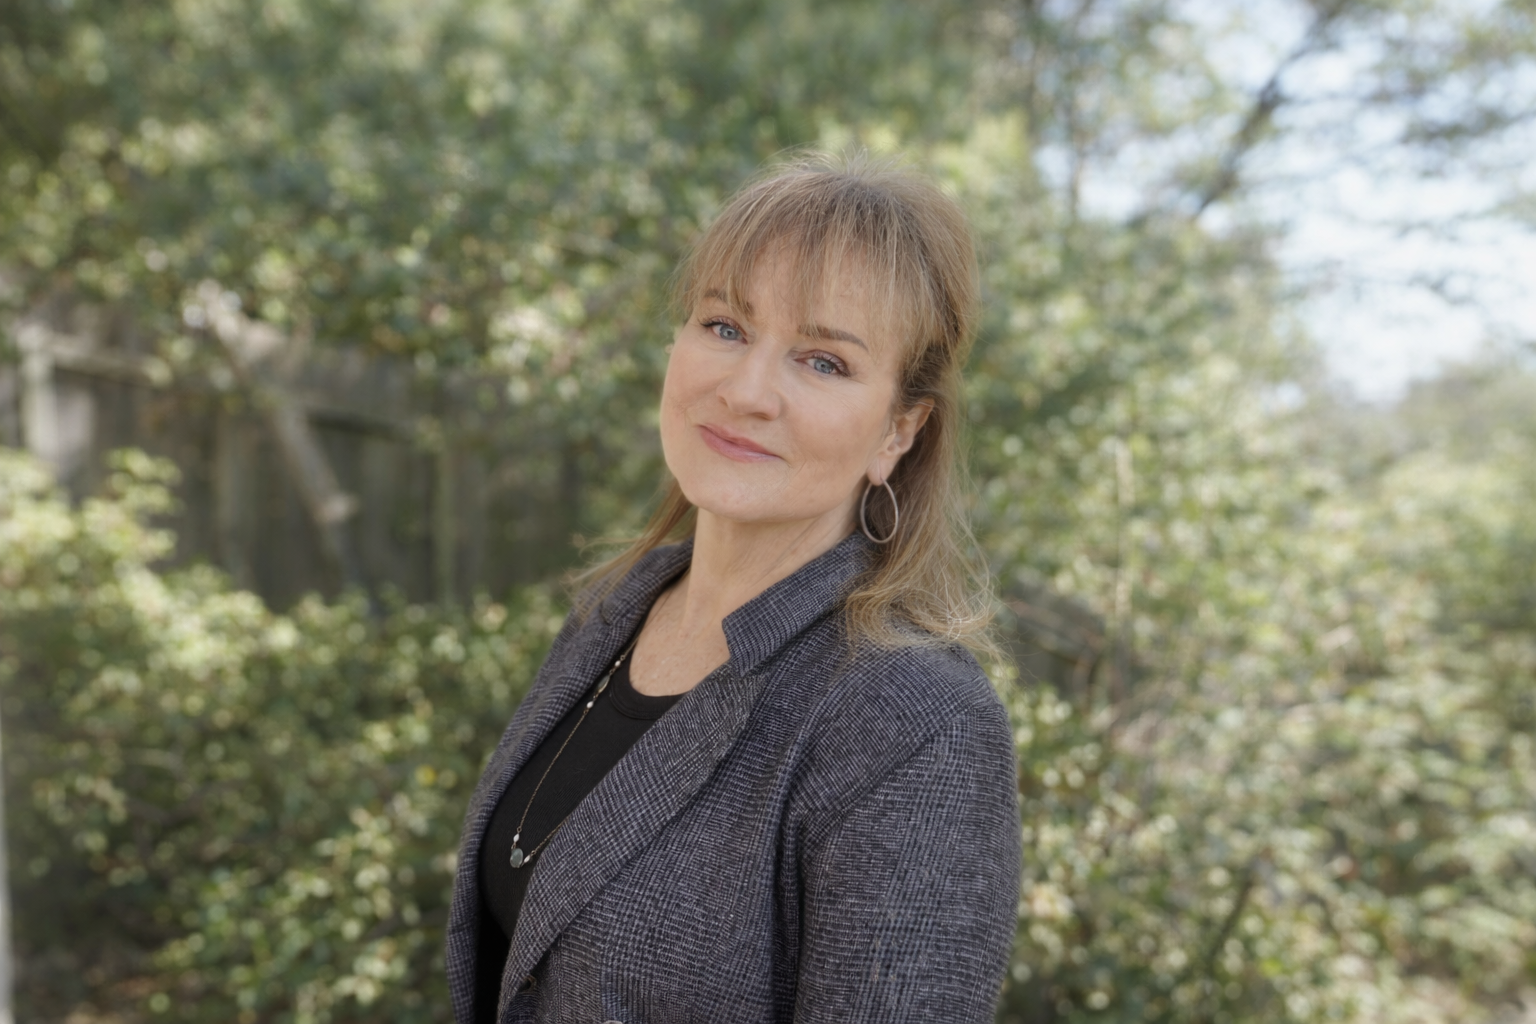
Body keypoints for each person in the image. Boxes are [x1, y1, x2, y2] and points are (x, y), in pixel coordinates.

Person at [445, 152, 1022, 1024]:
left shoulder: (915, 723)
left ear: (899, 432)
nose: (746, 389)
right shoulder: (617, 612)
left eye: (823, 362)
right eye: (724, 326)